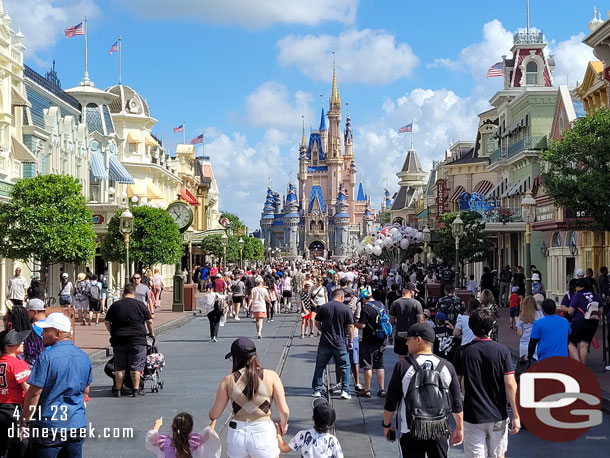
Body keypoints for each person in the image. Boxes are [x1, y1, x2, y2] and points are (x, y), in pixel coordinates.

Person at [383, 323, 463, 458]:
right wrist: (460, 428)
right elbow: (456, 403)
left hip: (411, 429)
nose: (407, 343)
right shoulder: (447, 367)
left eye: (409, 339)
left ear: (418, 340)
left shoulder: (403, 366)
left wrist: (386, 424)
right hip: (439, 429)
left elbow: (391, 401)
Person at [23, 313, 92, 457]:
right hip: (76, 423)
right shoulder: (83, 357)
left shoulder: (46, 357)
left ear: (58, 333)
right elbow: (86, 391)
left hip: (49, 426)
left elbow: (34, 393)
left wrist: (25, 420)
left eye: (46, 330)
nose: (42, 334)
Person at [454, 309, 520, 458]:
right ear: (491, 328)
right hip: (498, 414)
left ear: (471, 328)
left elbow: (456, 386)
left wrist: (456, 413)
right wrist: (516, 415)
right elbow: (510, 384)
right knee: (498, 454)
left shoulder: (462, 352)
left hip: (473, 415)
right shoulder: (502, 351)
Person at [209, 338, 289, 458]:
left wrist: (211, 413)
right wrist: (283, 425)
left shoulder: (228, 380)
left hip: (237, 435)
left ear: (236, 358)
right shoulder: (271, 376)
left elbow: (215, 414)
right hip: (263, 432)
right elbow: (284, 411)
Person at [105, 283, 154, 397]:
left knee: (119, 366)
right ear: (134, 293)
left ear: (123, 293)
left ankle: (118, 390)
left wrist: (113, 332)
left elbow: (107, 322)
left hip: (119, 340)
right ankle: (135, 390)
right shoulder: (140, 305)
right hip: (137, 339)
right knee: (136, 366)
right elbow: (149, 321)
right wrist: (151, 333)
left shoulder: (115, 305)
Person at [311, 289, 354, 399]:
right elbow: (350, 326)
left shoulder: (324, 307)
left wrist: (323, 331)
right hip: (339, 343)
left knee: (320, 366)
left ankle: (317, 390)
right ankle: (345, 391)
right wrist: (351, 341)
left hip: (325, 342)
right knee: (345, 367)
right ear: (341, 297)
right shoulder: (346, 309)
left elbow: (316, 322)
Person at [276, 398, 343, 458]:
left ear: (313, 418)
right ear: (331, 423)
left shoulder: (303, 435)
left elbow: (284, 448)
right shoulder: (333, 441)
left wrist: (278, 435)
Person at [0, 329, 31, 458]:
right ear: (8, 346)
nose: (22, 342)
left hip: (2, 407)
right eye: (18, 341)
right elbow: (29, 390)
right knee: (19, 446)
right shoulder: (18, 364)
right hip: (14, 410)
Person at [145, 412, 221, 458]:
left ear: (173, 427)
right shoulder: (193, 442)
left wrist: (157, 424)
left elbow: (152, 437)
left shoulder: (165, 443)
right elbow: (208, 433)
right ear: (190, 429)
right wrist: (213, 421)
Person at [356, 292, 387, 398]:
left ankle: (367, 389)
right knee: (380, 365)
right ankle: (382, 389)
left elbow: (362, 325)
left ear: (363, 299)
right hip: (381, 340)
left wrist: (355, 323)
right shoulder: (381, 305)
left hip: (368, 340)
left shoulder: (366, 309)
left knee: (367, 365)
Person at [565, 279, 601, 364]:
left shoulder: (577, 296)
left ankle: (578, 364)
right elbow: (601, 310)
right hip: (593, 323)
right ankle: (583, 366)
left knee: (571, 343)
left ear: (581, 287)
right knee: (584, 345)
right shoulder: (595, 296)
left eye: (577, 286)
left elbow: (570, 311)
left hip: (579, 322)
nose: (576, 288)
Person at [389, 283, 424, 358]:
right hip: (413, 334)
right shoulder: (416, 303)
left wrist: (390, 335)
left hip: (400, 334)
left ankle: (403, 369)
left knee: (402, 356)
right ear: (411, 292)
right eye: (414, 291)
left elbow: (391, 321)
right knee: (414, 355)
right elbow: (420, 320)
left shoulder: (395, 303)